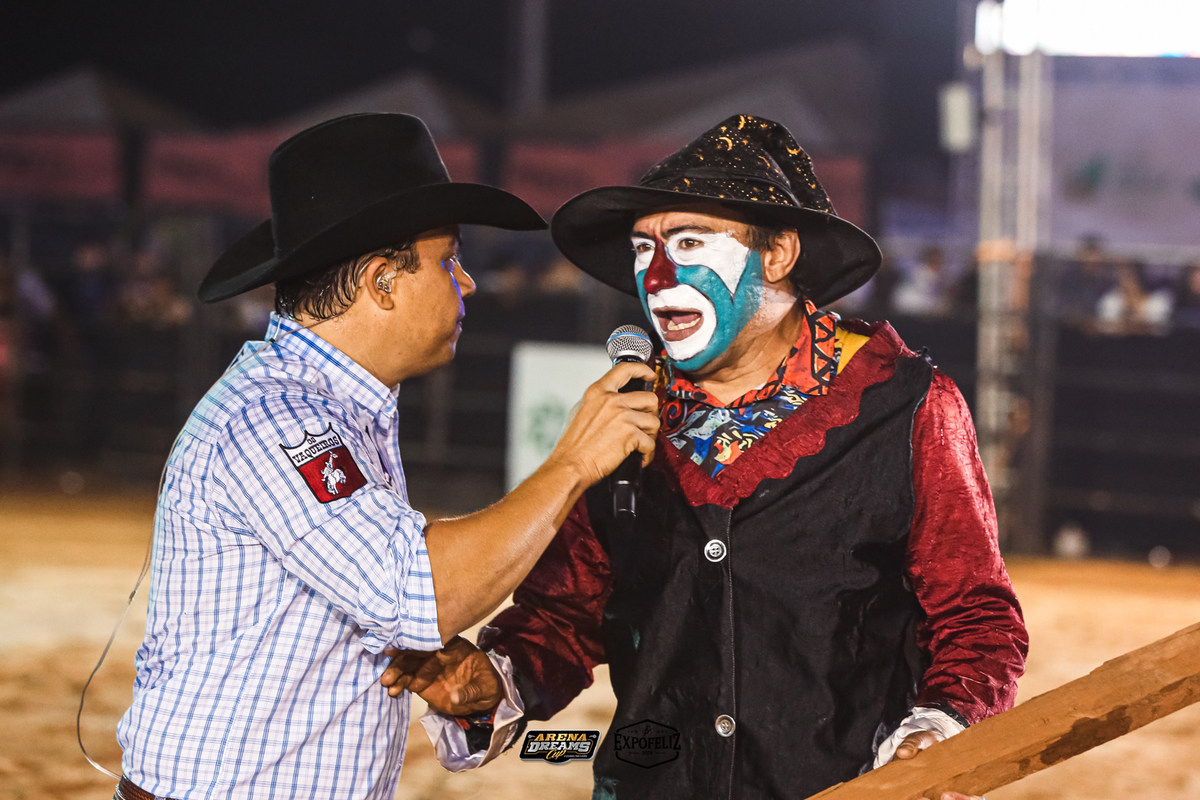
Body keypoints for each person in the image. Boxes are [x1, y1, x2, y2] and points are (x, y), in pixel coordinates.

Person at [384, 116, 1027, 800]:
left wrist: (940, 728)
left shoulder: (906, 408)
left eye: (690, 242)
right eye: (643, 248)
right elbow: (565, 614)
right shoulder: (626, 415)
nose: (656, 276)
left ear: (778, 256)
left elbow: (976, 619)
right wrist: (493, 678)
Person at [112, 113, 661, 800]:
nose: (467, 282)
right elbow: (416, 591)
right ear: (381, 281)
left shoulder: (332, 406)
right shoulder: (278, 417)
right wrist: (573, 463)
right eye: (448, 261)